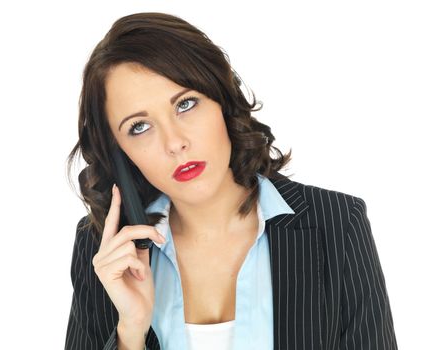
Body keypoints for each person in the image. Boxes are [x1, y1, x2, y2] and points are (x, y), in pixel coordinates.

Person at [64, 12, 398, 350]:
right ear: (120, 153)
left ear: (222, 98)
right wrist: (130, 333)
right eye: (139, 127)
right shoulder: (105, 250)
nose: (174, 142)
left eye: (186, 104)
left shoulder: (337, 222)